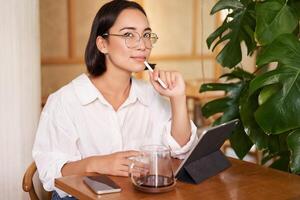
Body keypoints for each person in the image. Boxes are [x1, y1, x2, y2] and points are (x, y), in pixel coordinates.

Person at [32, 0, 198, 199]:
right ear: (103, 44)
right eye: (128, 34)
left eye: (146, 35)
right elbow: (50, 173)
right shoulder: (64, 101)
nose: (143, 45)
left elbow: (181, 152)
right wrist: (98, 163)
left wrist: (178, 98)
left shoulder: (151, 95)